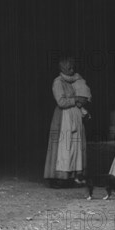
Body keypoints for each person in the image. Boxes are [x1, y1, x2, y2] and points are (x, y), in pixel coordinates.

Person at [44, 57, 90, 188]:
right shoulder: (58, 82)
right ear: (62, 69)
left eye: (73, 67)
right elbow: (61, 102)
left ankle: (73, 175)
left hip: (75, 116)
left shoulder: (75, 80)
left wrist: (82, 102)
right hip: (64, 117)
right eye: (69, 68)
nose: (72, 70)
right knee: (64, 147)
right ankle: (59, 177)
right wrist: (75, 100)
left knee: (75, 146)